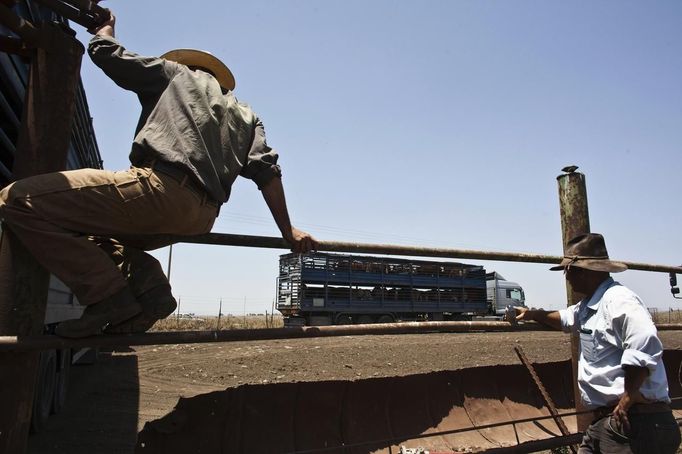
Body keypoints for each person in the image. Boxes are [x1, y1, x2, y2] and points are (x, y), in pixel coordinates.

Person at [0, 10, 317, 338]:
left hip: (158, 191)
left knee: (18, 200)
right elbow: (267, 171)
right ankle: (149, 285)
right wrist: (287, 230)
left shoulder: (178, 74)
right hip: (200, 218)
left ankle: (108, 297)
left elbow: (109, 56)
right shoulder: (249, 115)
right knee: (82, 227)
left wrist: (105, 29)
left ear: (191, 67)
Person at [511, 233, 680, 453]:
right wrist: (533, 314)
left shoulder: (618, 300)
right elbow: (565, 318)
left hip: (633, 421)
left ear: (582, 270)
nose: (566, 276)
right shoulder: (590, 305)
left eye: (567, 270)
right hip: (610, 422)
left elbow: (644, 337)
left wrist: (629, 394)